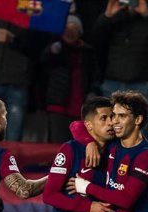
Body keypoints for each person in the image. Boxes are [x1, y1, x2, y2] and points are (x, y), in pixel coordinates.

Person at [91, 0, 148, 147]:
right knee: (108, 133)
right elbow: (95, 40)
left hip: (143, 83)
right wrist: (107, 16)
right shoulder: (117, 14)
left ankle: (142, 168)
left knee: (143, 132)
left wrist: (147, 13)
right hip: (113, 82)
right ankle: (111, 168)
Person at [0, 18, 47, 141]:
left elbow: (39, 47)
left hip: (17, 82)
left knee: (12, 138)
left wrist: (13, 40)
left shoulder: (32, 11)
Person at [40, 14, 101, 143]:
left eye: (74, 30)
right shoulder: (56, 48)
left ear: (80, 32)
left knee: (77, 147)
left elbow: (95, 75)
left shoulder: (87, 52)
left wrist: (92, 92)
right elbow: (43, 62)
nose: (70, 33)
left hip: (79, 108)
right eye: (66, 29)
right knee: (56, 148)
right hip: (57, 106)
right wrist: (53, 49)